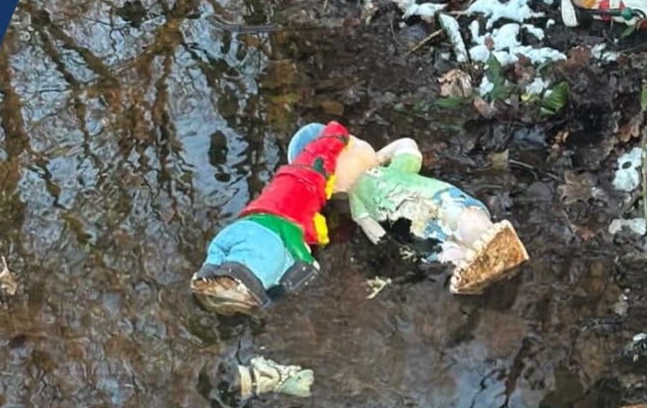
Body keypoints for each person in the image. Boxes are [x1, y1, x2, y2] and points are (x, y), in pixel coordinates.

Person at [191, 121, 362, 316]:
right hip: (268, 232)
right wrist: (305, 264)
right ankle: (240, 281)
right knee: (269, 261)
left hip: (248, 224)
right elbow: (320, 153)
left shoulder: (284, 187)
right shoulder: (305, 181)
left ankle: (216, 277)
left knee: (230, 252)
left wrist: (210, 265)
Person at [331, 135, 527, 294]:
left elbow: (376, 234)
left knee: (462, 226)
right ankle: (473, 256)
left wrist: (393, 251)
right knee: (452, 241)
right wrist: (381, 155)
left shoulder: (374, 187)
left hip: (431, 213)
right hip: (428, 217)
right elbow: (407, 145)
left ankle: (477, 249)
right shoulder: (364, 195)